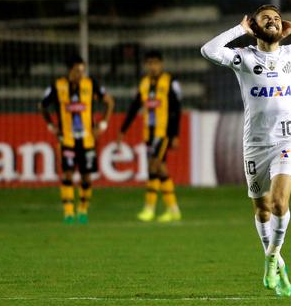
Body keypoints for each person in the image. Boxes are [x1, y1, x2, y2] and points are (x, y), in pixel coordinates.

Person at [200, 4, 291, 297]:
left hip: (287, 141)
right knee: (262, 211)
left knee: (279, 204)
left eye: (276, 18)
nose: (273, 21)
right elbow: (208, 50)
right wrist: (240, 30)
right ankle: (275, 261)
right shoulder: (244, 57)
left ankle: (273, 257)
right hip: (254, 145)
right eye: (267, 19)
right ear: (255, 26)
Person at [39, 55, 114, 224]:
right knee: (67, 174)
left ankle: (83, 209)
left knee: (86, 176)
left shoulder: (90, 84)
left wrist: (102, 125)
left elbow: (109, 102)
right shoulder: (58, 85)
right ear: (70, 70)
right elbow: (42, 106)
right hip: (67, 139)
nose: (81, 73)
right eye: (77, 70)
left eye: (83, 70)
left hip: (87, 139)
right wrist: (51, 125)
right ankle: (68, 212)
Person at [117, 50, 183, 222]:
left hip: (163, 133)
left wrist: (175, 134)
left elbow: (176, 110)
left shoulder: (170, 82)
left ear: (161, 64)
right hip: (149, 133)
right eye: (150, 63)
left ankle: (149, 208)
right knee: (160, 168)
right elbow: (134, 107)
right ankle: (173, 209)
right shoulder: (144, 83)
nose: (153, 67)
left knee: (153, 167)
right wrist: (123, 130)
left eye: (155, 63)